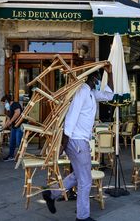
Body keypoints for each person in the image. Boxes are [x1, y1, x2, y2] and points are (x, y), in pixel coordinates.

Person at [42, 63, 114, 221]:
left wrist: (110, 73)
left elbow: (110, 95)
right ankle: (82, 217)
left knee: (80, 175)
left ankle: (51, 193)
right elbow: (71, 117)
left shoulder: (91, 93)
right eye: (97, 77)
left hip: (80, 141)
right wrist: (63, 144)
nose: (98, 80)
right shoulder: (81, 92)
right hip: (76, 141)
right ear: (92, 77)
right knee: (85, 180)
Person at [0, 94, 23, 161]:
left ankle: (21, 157)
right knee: (12, 142)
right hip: (14, 127)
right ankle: (11, 156)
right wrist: (3, 127)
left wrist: (11, 121)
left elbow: (17, 112)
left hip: (19, 126)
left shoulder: (15, 104)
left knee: (19, 142)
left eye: (4, 103)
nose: (4, 105)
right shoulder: (9, 108)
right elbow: (8, 119)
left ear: (7, 101)